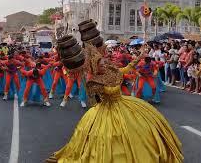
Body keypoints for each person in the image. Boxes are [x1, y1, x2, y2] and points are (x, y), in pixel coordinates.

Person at [46, 43, 183, 163]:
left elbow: (127, 68)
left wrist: (140, 56)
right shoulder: (94, 81)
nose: (105, 65)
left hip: (124, 104)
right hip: (105, 110)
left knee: (140, 129)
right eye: (101, 64)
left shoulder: (112, 71)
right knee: (107, 137)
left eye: (104, 62)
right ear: (95, 66)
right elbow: (94, 98)